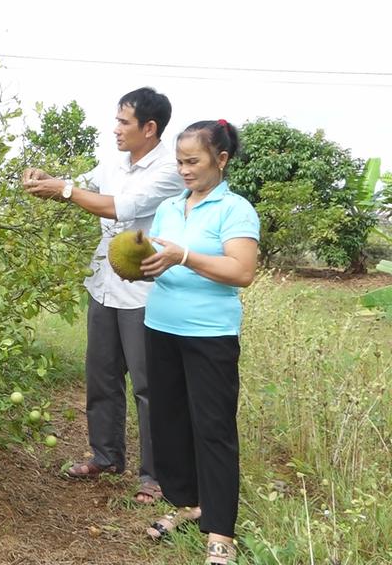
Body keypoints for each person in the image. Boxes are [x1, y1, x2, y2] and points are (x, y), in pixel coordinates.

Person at [21, 87, 183, 504]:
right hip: (104, 282)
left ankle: (155, 475)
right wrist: (50, 179)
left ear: (150, 128)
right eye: (116, 120)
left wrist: (64, 191)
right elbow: (85, 185)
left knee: (149, 385)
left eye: (123, 122)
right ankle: (106, 456)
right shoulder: (115, 162)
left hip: (144, 290)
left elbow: (119, 208)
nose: (115, 129)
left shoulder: (168, 169)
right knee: (102, 375)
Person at [139, 120, 259, 565]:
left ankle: (221, 532)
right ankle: (189, 505)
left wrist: (184, 255)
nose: (184, 170)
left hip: (209, 335)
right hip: (162, 325)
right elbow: (161, 260)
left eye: (193, 161)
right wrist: (141, 263)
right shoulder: (170, 207)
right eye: (180, 162)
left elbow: (242, 271)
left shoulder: (236, 209)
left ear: (221, 160)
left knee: (213, 430)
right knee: (170, 424)